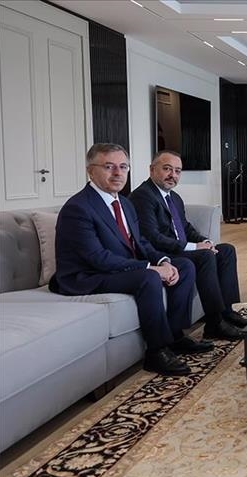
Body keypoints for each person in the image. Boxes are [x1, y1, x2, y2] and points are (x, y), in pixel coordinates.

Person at [50, 143, 205, 376]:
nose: (117, 173)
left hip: (117, 267)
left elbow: (140, 242)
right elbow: (98, 258)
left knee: (183, 265)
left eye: (123, 167)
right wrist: (150, 267)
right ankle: (156, 352)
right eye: (109, 166)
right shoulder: (78, 208)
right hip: (87, 275)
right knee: (148, 278)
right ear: (90, 171)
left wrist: (163, 261)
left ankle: (174, 336)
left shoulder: (124, 203)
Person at [130, 150, 247, 342]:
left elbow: (185, 227)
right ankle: (214, 323)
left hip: (179, 249)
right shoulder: (143, 196)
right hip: (162, 254)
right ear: (152, 170)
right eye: (167, 169)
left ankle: (227, 311)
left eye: (177, 171)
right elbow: (151, 237)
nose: (173, 175)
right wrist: (194, 247)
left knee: (226, 250)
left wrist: (205, 242)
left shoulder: (174, 197)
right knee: (204, 256)